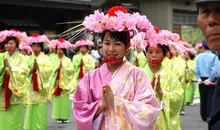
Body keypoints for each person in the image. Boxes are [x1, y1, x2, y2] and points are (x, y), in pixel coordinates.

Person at [73, 6, 160, 130]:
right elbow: (79, 109)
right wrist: (101, 105)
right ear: (101, 44)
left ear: (128, 46)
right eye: (107, 43)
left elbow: (150, 111)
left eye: (117, 44)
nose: (111, 49)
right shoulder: (90, 77)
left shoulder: (138, 75)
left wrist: (116, 102)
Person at [143, 40, 184, 129]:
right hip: (143, 120)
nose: (154, 55)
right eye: (150, 52)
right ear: (145, 53)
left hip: (163, 121)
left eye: (158, 52)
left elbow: (179, 96)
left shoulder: (171, 76)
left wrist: (162, 93)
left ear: (164, 54)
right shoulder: (138, 74)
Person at [0, 29, 29, 130]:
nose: (8, 46)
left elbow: (24, 72)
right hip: (3, 91)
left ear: (16, 45)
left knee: (16, 117)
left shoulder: (22, 58)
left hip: (16, 92)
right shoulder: (1, 56)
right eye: (6, 43)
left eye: (11, 43)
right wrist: (3, 68)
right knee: (3, 117)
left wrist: (11, 68)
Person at [23, 34, 53, 130]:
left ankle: (40, 128)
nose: (35, 48)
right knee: (31, 107)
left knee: (41, 108)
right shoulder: (28, 58)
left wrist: (39, 68)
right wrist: (31, 70)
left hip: (41, 89)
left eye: (37, 46)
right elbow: (23, 73)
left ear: (41, 47)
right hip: (31, 87)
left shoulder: (46, 58)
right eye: (33, 46)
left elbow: (49, 71)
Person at [49, 38, 75, 123]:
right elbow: (49, 70)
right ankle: (58, 117)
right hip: (56, 82)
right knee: (57, 100)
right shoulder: (52, 59)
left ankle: (65, 116)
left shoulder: (67, 60)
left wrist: (63, 68)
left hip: (64, 83)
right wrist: (56, 68)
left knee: (64, 100)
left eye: (61, 49)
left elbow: (71, 71)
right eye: (58, 49)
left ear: (64, 51)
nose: (59, 51)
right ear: (56, 50)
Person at [195, 40, 218, 122]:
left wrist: (198, 78)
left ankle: (203, 115)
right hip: (210, 80)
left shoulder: (198, 56)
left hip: (201, 79)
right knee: (210, 97)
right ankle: (209, 115)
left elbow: (196, 69)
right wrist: (210, 79)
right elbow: (214, 70)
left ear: (203, 47)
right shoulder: (214, 56)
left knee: (203, 97)